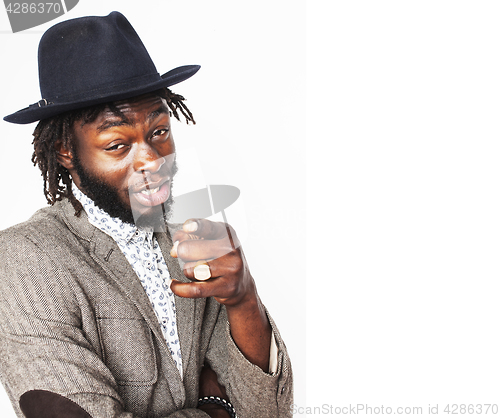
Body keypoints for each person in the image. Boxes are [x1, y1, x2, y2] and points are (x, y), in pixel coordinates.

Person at [0, 11, 292, 418]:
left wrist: (243, 299)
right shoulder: (25, 259)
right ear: (65, 151)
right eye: (118, 145)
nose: (152, 160)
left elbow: (270, 412)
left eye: (158, 132)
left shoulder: (191, 244)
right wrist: (213, 408)